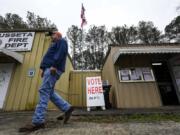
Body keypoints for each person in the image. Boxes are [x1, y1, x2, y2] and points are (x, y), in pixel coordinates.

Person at [19, 31, 74, 132]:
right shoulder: (55, 44)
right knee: (50, 93)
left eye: (52, 35)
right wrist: (44, 70)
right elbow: (50, 56)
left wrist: (54, 65)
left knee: (44, 91)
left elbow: (61, 53)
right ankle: (67, 108)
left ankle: (38, 121)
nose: (51, 37)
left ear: (58, 35)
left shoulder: (61, 41)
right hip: (49, 69)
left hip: (53, 69)